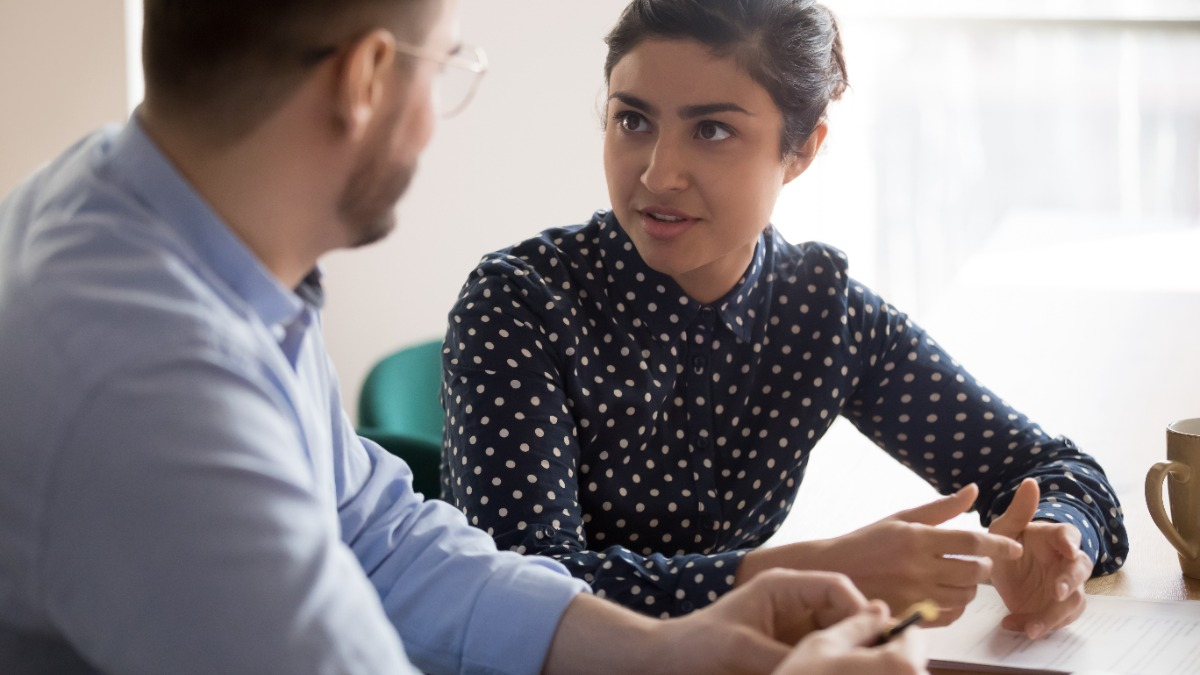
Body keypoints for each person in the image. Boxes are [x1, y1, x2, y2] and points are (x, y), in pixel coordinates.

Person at [0, 0, 931, 673]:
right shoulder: (153, 390)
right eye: (445, 66)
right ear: (366, 77)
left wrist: (666, 648)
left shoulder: (150, 222)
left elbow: (382, 538)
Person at [441, 0, 1129, 640]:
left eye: (712, 130)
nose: (658, 172)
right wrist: (811, 575)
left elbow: (1055, 468)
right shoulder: (519, 305)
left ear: (801, 150)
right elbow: (518, 593)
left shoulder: (822, 316)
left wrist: (1058, 541)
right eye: (633, 120)